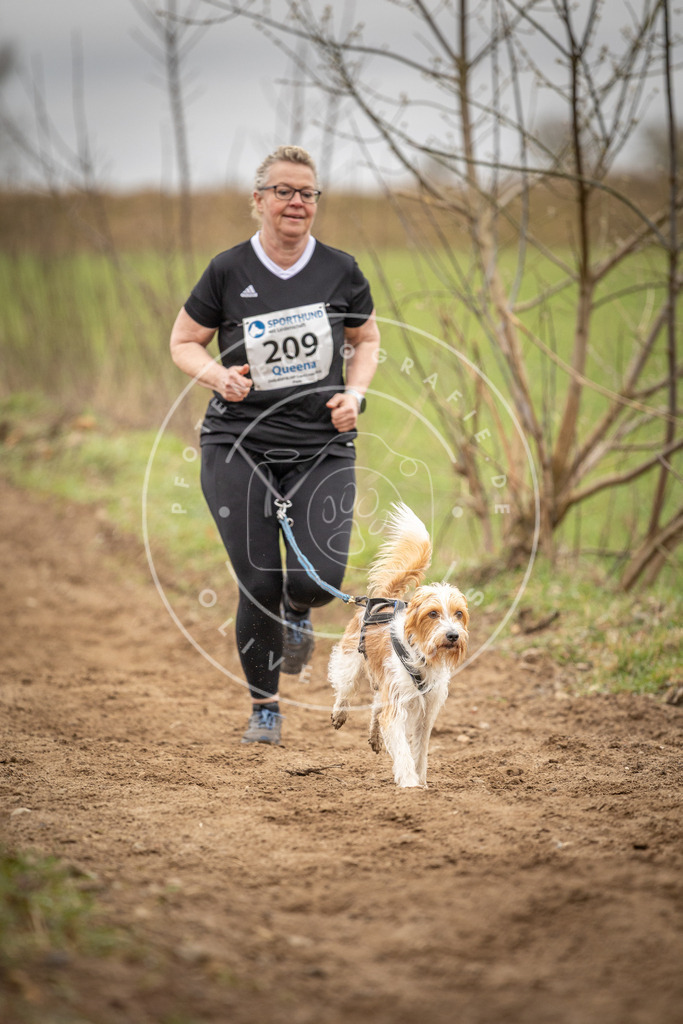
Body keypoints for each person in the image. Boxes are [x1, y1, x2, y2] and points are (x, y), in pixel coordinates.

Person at [170, 145, 381, 747]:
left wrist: (356, 394)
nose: (297, 202)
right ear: (259, 200)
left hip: (323, 442)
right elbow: (185, 340)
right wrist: (217, 377)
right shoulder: (228, 269)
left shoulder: (341, 269)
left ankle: (299, 611)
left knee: (320, 577)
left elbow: (365, 339)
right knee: (258, 579)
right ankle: (265, 706)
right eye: (284, 191)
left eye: (307, 193)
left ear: (316, 202)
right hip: (238, 442)